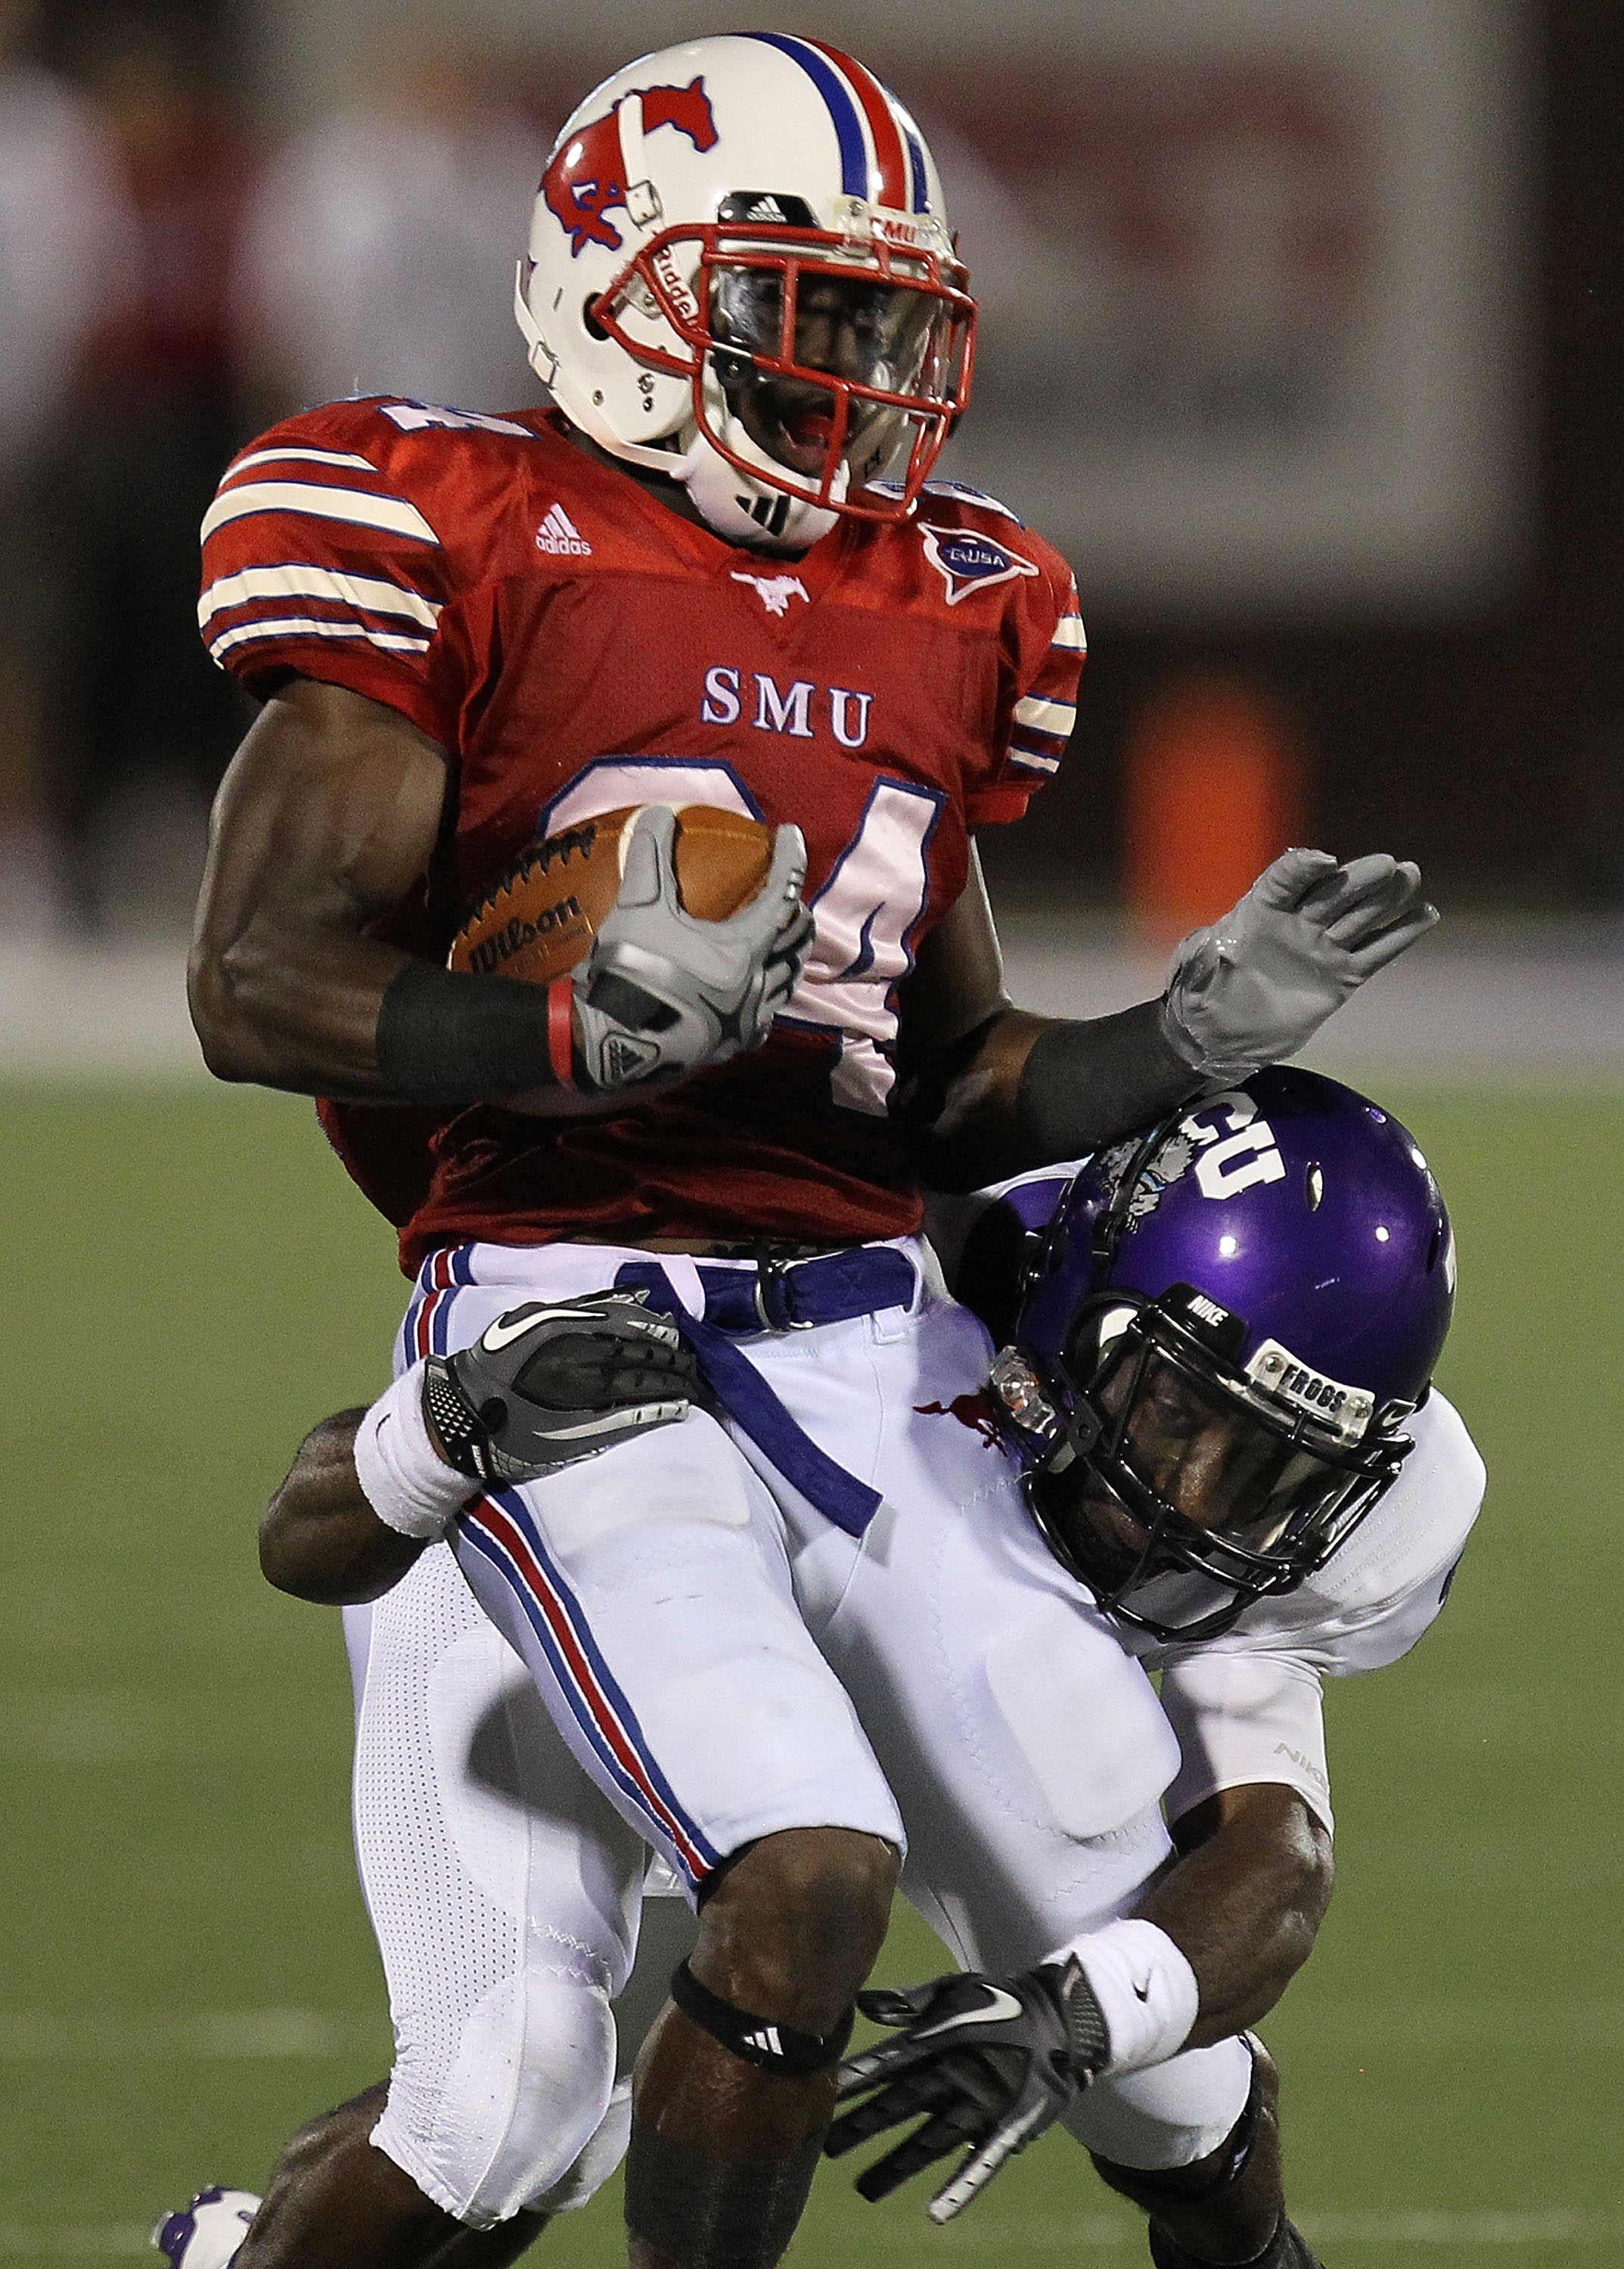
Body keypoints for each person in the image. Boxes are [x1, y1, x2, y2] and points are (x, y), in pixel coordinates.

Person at [179, 33, 1437, 2269]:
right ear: (618, 287)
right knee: (729, 1929)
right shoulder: (454, 526)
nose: (858, 376)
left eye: (885, 322)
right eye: (802, 310)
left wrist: (1178, 1035)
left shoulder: (945, 603)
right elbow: (253, 981)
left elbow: (943, 1096)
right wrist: (555, 1028)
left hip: (879, 1339)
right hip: (584, 1307)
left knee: (1130, 1963)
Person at [163, 1067, 1482, 2269]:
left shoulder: (1361, 1518)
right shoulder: (904, 1254)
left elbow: (1273, 1855)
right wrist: (440, 1433)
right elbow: (323, 1517)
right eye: (1178, 1413)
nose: (1196, 1500)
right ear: (1080, 1295)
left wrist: (1088, 2012)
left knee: (1167, 2072)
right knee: (517, 2096)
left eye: (1275, 1471)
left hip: (908, 1607)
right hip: (631, 1559)